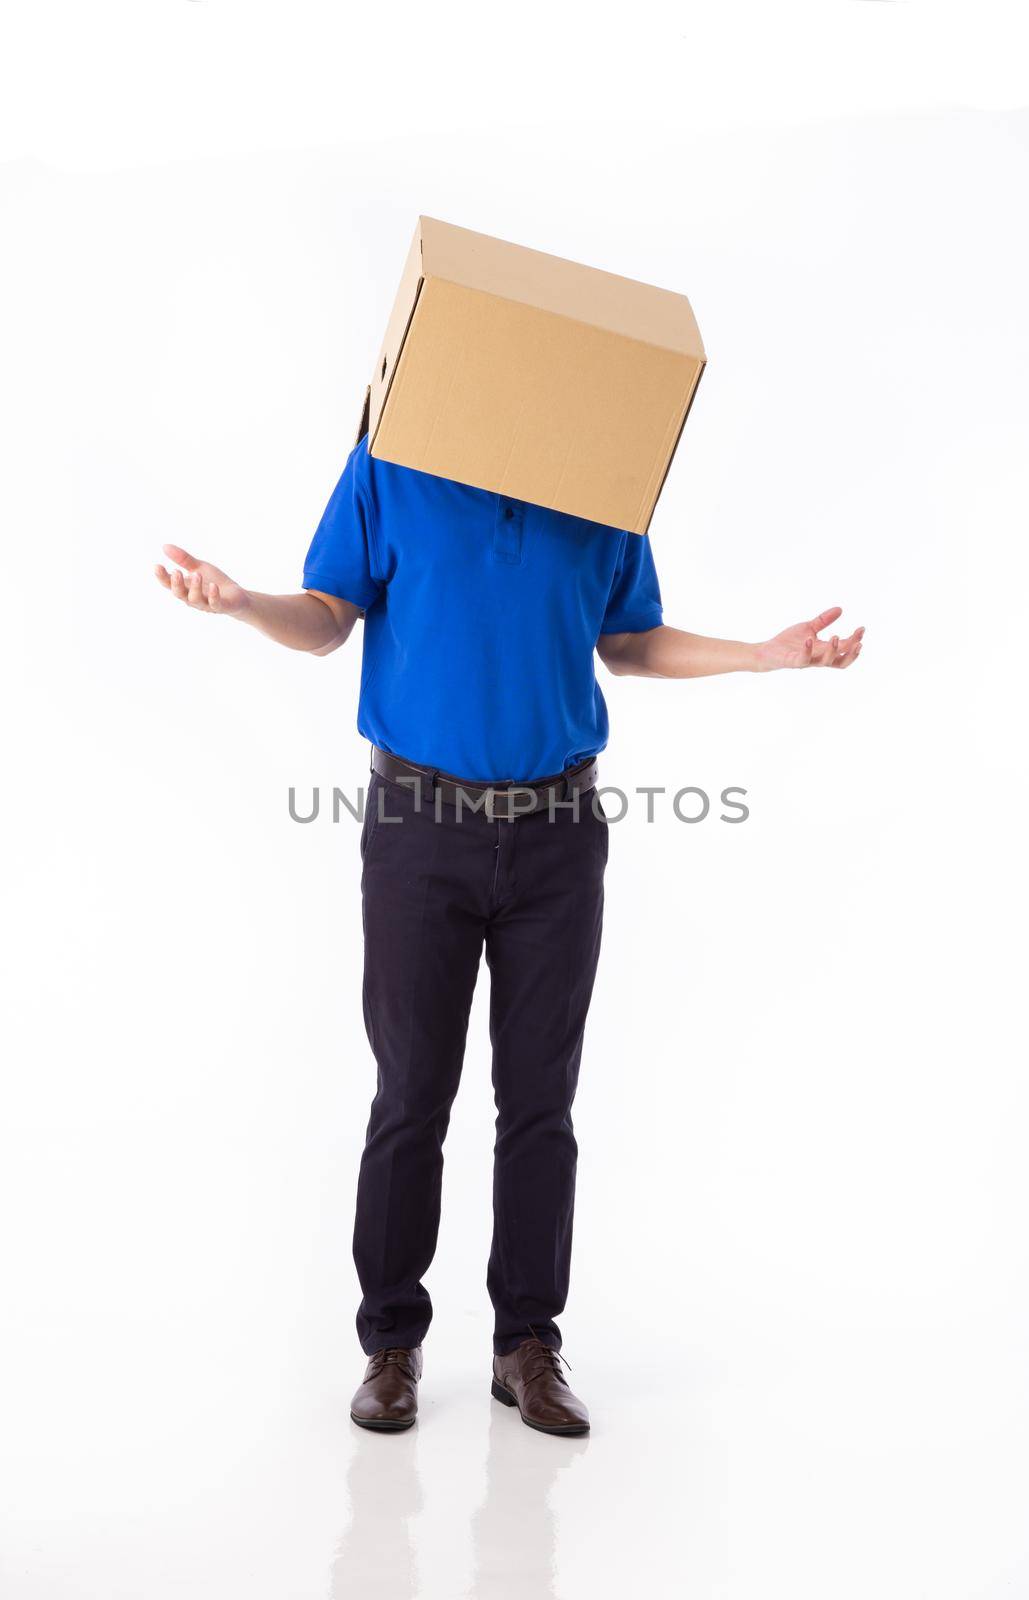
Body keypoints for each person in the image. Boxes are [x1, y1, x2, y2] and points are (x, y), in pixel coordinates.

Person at [155, 436, 863, 1437]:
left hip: (558, 835)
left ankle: (527, 1341)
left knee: (541, 1099)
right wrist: (240, 603)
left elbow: (628, 640)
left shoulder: (603, 481)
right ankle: (390, 1340)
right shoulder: (393, 463)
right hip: (416, 829)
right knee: (411, 1093)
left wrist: (759, 654)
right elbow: (325, 622)